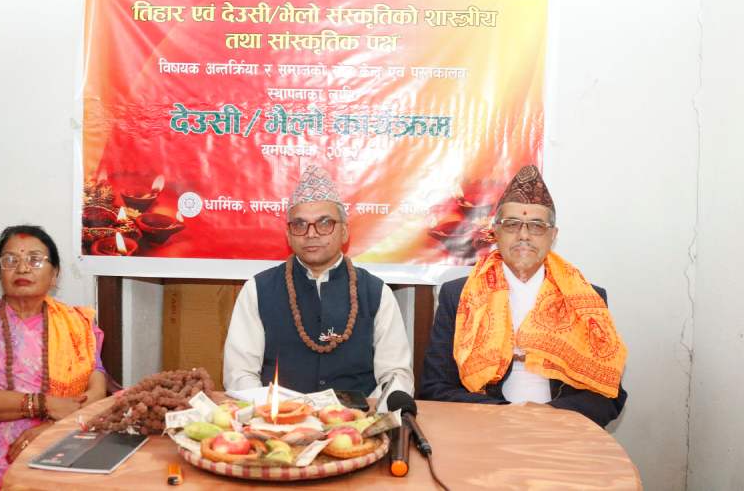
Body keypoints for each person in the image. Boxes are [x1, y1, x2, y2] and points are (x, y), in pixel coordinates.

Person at [420, 165, 627, 427]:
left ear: (553, 235)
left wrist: (547, 417)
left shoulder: (587, 299)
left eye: (537, 226)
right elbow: (435, 387)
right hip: (484, 427)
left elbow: (609, 394)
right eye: (512, 224)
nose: (524, 235)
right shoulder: (459, 295)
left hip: (561, 430)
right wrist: (506, 415)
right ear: (495, 232)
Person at [224, 165, 414, 398]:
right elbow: (239, 374)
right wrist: (274, 411)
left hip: (361, 417)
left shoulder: (376, 293)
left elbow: (396, 375)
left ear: (344, 232)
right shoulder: (258, 290)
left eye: (325, 223)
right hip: (278, 417)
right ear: (288, 235)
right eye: (300, 224)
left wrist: (368, 414)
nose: (311, 233)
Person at [0, 225, 107, 490]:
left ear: (54, 274)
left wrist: (53, 428)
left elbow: (97, 388)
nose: (22, 268)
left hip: (67, 426)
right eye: (10, 260)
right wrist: (44, 405)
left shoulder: (75, 323)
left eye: (35, 260)